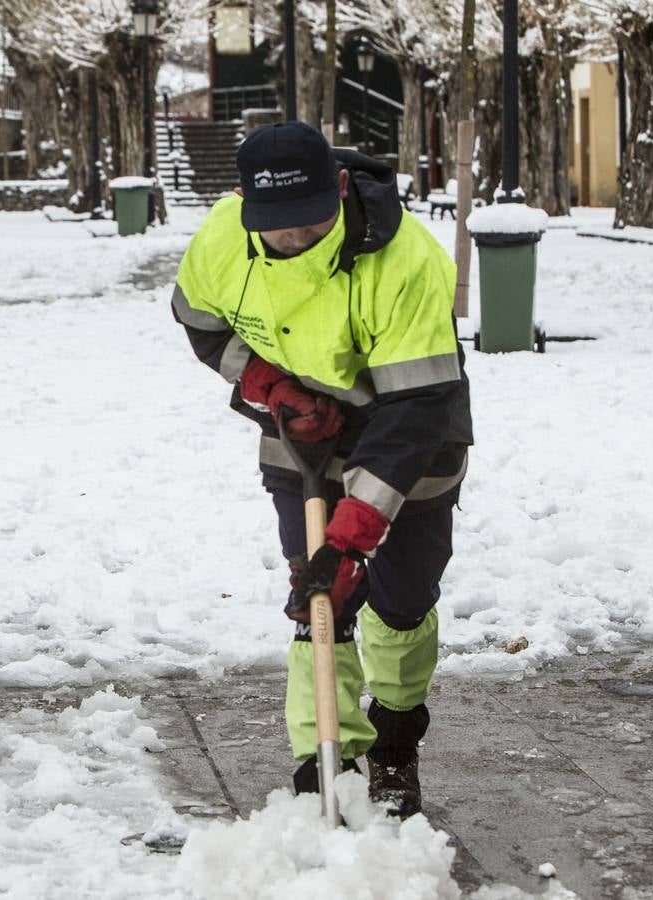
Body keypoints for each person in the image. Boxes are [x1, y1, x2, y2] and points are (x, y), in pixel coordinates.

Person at [171, 122, 472, 818]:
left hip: (410, 424)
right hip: (303, 426)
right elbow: (199, 321)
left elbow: (419, 406)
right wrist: (275, 388)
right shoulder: (223, 236)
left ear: (338, 189)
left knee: (401, 598)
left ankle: (395, 738)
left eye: (308, 224)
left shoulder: (407, 260)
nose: (292, 239)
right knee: (317, 598)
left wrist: (354, 533)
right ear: (245, 202)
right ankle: (325, 760)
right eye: (274, 227)